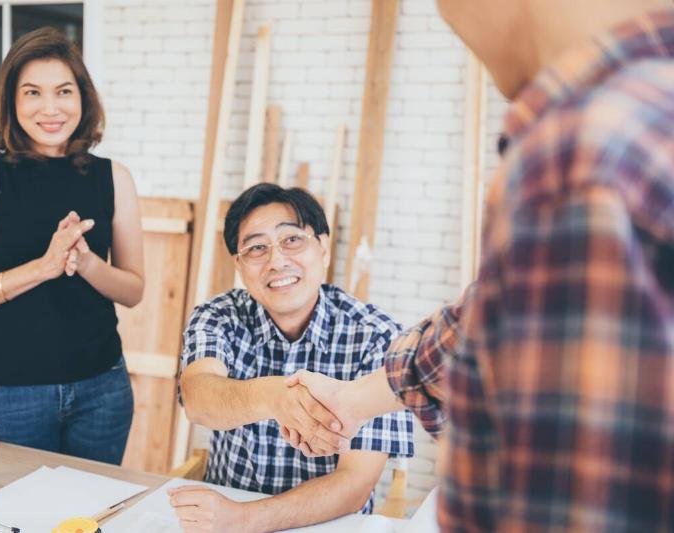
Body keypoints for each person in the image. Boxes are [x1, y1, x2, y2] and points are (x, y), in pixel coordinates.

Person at [287, 1, 674, 530]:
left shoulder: (578, 156)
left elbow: (566, 506)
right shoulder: (647, 112)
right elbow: (485, 318)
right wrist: (351, 401)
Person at [0, 27, 145, 465]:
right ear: (12, 103)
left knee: (91, 516)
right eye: (33, 92)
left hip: (103, 388)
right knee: (20, 517)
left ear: (83, 99)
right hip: (15, 392)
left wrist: (88, 263)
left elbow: (133, 291)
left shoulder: (115, 178)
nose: (50, 108)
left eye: (64, 91)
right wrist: (43, 267)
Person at [168, 184, 413, 532]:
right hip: (222, 513)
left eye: (292, 240)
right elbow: (198, 399)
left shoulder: (378, 336)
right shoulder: (218, 316)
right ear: (238, 265)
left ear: (324, 248)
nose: (277, 261)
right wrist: (273, 397)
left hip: (323, 524)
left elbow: (354, 484)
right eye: (256, 248)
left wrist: (242, 519)